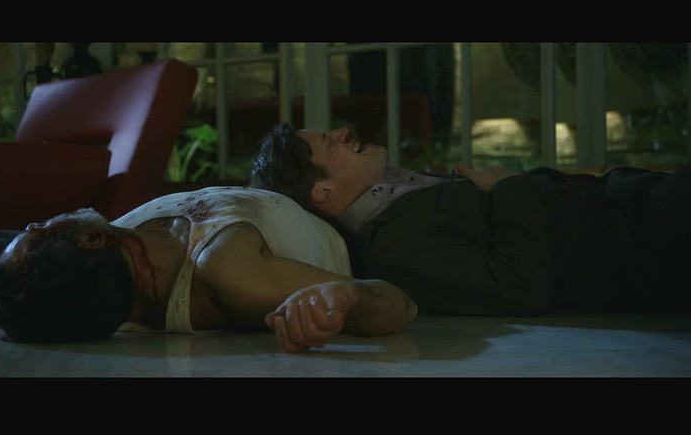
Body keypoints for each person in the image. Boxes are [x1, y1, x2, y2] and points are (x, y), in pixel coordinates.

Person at [249, 123, 691, 316]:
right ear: (323, 191)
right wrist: (507, 185)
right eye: (330, 142)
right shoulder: (390, 247)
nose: (344, 132)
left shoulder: (396, 194)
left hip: (631, 201)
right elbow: (516, 286)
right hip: (635, 241)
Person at [0, 186, 418, 354]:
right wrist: (348, 297)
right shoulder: (227, 272)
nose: (35, 223)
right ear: (89, 241)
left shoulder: (120, 243)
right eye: (36, 232)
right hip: (361, 217)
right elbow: (399, 305)